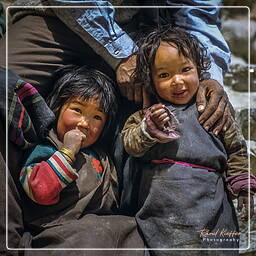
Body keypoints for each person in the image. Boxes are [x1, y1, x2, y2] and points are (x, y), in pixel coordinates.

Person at [121, 27, 256, 255]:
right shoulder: (146, 116)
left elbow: (236, 149)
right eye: (164, 75)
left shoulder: (211, 111)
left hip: (210, 205)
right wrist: (148, 129)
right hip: (161, 210)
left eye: (185, 69)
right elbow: (130, 144)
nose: (178, 81)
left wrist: (244, 188)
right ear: (150, 82)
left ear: (200, 69)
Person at [17, 65, 144, 253]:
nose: (84, 123)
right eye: (77, 110)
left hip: (106, 228)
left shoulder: (103, 155)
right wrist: (67, 152)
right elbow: (40, 190)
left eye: (97, 117)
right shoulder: (45, 149)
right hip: (61, 232)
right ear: (57, 107)